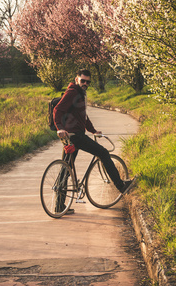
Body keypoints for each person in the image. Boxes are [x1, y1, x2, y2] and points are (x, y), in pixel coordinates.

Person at [53, 69, 135, 198]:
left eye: (88, 82)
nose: (85, 83)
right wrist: (59, 127)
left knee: (66, 169)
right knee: (103, 153)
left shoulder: (80, 93)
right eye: (82, 81)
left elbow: (83, 117)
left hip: (71, 137)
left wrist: (93, 131)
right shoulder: (72, 92)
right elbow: (58, 109)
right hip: (76, 136)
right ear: (76, 79)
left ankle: (59, 207)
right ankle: (121, 186)